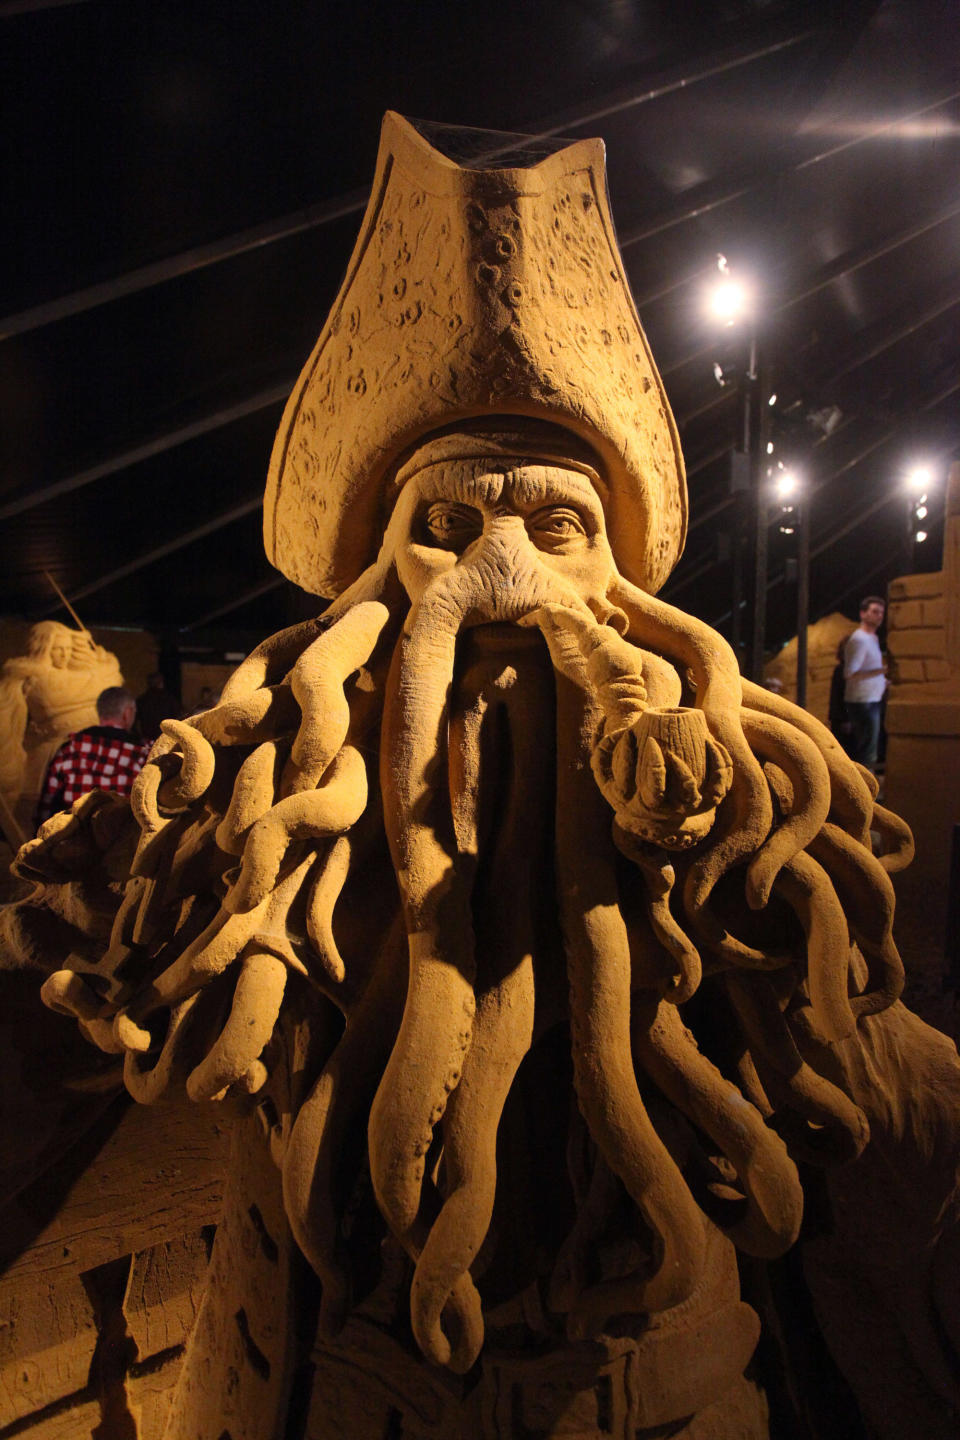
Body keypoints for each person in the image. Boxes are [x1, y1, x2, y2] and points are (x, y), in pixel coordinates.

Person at [36, 685, 151, 826]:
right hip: (123, 842)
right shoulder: (143, 753)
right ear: (127, 714)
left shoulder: (70, 749)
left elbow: (46, 807)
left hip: (73, 840)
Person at [843, 595, 887, 769]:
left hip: (872, 699)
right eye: (875, 611)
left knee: (870, 749)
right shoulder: (859, 639)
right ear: (863, 614)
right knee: (867, 752)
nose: (879, 616)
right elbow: (850, 673)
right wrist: (882, 671)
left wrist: (883, 679)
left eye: (881, 612)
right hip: (862, 701)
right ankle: (863, 792)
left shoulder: (872, 639)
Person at [135, 670, 181, 741]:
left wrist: (139, 737)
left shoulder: (141, 700)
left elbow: (134, 722)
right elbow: (177, 718)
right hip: (165, 738)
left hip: (147, 739)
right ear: (161, 683)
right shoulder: (169, 699)